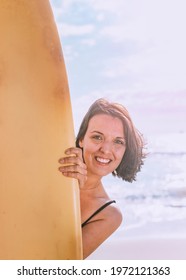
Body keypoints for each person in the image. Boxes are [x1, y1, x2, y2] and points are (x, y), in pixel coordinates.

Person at [58, 98, 146, 259]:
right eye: (97, 137)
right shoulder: (52, 163)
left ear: (125, 150)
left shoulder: (108, 215)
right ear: (81, 139)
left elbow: (57, 266)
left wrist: (69, 195)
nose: (106, 150)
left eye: (118, 142)